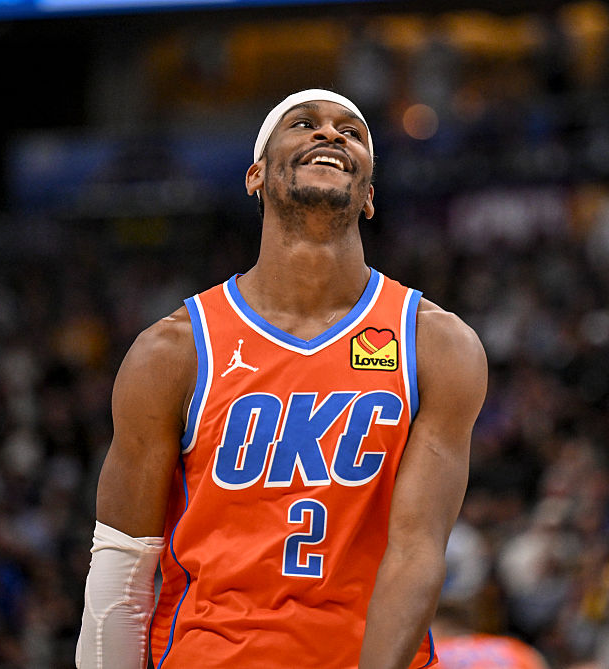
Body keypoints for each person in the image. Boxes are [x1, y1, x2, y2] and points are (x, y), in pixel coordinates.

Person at [75, 89, 488, 669]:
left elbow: (415, 554)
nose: (331, 134)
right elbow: (123, 565)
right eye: (304, 124)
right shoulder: (173, 352)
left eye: (352, 131)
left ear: (369, 195)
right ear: (256, 176)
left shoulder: (436, 344)